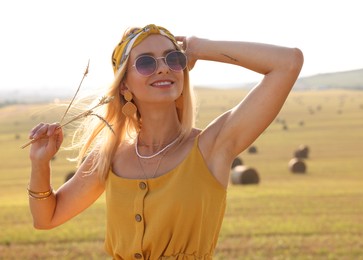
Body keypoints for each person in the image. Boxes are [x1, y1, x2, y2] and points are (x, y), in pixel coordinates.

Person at [27, 24, 303, 259]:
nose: (163, 69)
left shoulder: (212, 147)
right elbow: (46, 219)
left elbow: (287, 63)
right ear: (124, 85)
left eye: (173, 59)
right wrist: (40, 164)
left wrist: (199, 48)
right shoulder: (109, 156)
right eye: (146, 62)